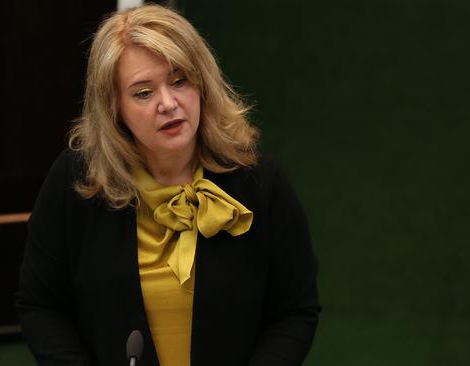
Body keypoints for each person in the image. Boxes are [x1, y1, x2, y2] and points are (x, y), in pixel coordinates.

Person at [16, 4, 320, 366]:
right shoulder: (77, 181)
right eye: (143, 92)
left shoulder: (260, 182)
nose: (168, 103)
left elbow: (295, 311)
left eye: (179, 81)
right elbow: (41, 306)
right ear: (115, 108)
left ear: (202, 84)